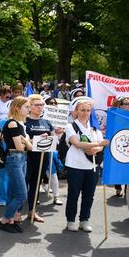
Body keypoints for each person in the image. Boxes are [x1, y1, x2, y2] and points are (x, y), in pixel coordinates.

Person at [63, 97, 109, 232]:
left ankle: (84, 219)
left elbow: (102, 146)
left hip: (92, 166)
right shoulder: (70, 126)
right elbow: (76, 143)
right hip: (75, 166)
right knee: (73, 194)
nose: (85, 113)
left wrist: (97, 148)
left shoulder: (95, 128)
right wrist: (98, 145)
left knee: (89, 195)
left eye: (88, 110)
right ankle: (70, 220)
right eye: (82, 110)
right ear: (76, 111)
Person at [0, 97, 32, 233]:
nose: (29, 110)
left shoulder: (20, 124)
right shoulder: (12, 123)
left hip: (20, 159)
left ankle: (11, 220)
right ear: (17, 108)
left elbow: (27, 144)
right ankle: (4, 220)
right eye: (27, 107)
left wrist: (27, 141)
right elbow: (20, 146)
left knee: (15, 192)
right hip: (15, 158)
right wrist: (27, 142)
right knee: (21, 195)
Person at [24, 94, 54, 223]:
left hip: (43, 158)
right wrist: (36, 140)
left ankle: (32, 211)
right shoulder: (25, 121)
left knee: (36, 186)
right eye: (36, 105)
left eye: (42, 105)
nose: (40, 107)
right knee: (23, 186)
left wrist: (54, 136)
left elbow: (53, 140)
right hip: (27, 158)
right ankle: (17, 212)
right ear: (29, 107)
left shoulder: (47, 122)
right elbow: (21, 140)